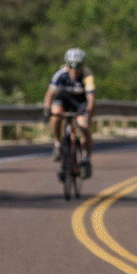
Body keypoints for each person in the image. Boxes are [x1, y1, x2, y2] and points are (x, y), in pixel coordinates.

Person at [42, 48, 95, 178]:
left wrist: (88, 113)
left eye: (78, 66)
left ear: (82, 65)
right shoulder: (60, 74)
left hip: (80, 102)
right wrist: (46, 109)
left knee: (83, 126)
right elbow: (49, 94)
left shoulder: (87, 76)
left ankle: (86, 159)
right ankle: (57, 144)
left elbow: (91, 99)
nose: (74, 69)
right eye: (71, 65)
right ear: (67, 65)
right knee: (55, 114)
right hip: (64, 99)